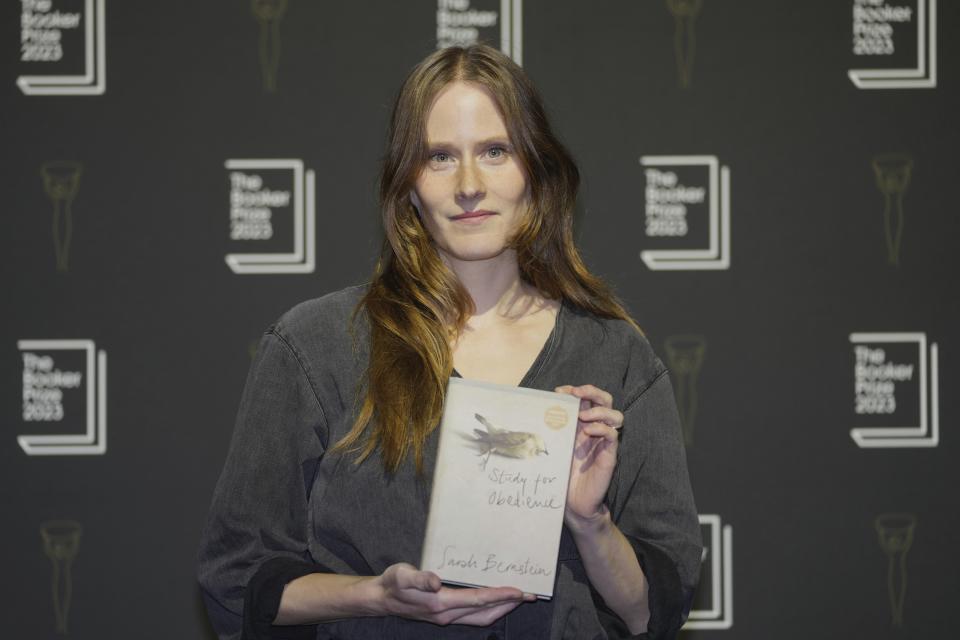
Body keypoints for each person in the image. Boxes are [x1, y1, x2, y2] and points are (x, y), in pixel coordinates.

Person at [198, 44, 701, 640]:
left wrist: (589, 523)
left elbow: (654, 615)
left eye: (495, 151)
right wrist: (375, 596)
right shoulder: (315, 347)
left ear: (535, 169)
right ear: (408, 185)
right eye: (439, 157)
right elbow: (237, 583)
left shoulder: (616, 358)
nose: (468, 185)